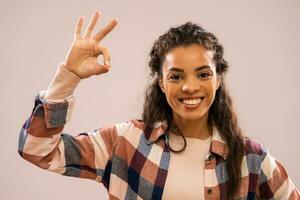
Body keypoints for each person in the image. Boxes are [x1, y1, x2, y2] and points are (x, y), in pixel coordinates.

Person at [18, 10, 299, 200]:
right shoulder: (126, 143)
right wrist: (68, 75)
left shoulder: (251, 160)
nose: (190, 87)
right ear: (162, 83)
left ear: (218, 79)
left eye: (203, 74)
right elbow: (37, 150)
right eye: (176, 76)